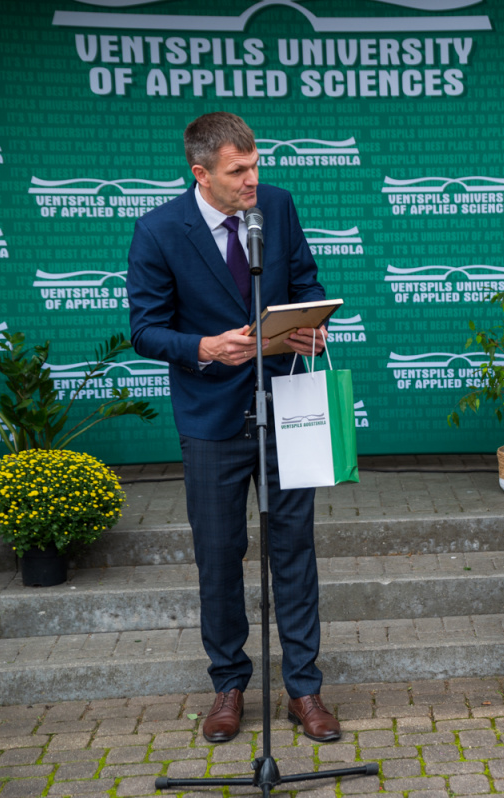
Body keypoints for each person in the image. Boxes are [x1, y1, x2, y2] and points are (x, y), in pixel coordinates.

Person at [126, 112, 340, 745]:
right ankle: (228, 685)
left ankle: (304, 689)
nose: (252, 180)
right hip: (211, 420)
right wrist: (204, 347)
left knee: (294, 552)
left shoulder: (277, 205)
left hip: (286, 408)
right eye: (237, 171)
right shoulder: (158, 230)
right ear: (201, 173)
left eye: (255, 166)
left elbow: (305, 281)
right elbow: (145, 329)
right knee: (219, 557)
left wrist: (311, 324)